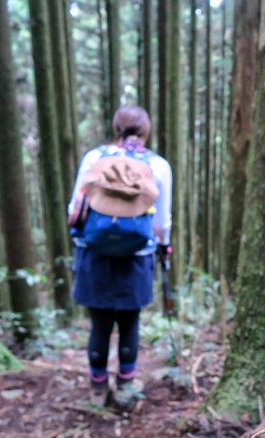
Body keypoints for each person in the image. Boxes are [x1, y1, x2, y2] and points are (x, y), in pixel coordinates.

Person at [68, 105, 172, 408]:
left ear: (116, 128)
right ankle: (125, 387)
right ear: (146, 130)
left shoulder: (95, 158)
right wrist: (164, 246)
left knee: (99, 323)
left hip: (94, 252)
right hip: (136, 256)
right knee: (129, 322)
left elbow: (75, 209)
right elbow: (162, 222)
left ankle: (97, 389)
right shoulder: (158, 165)